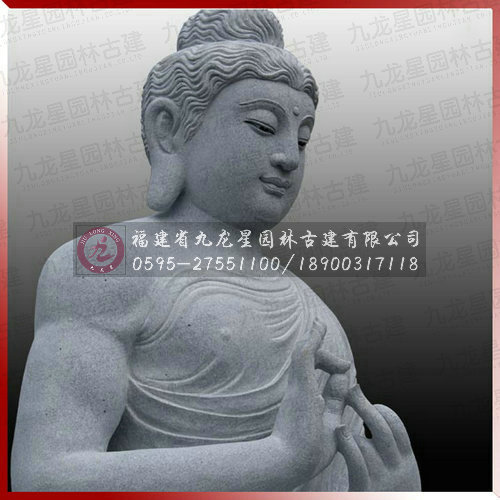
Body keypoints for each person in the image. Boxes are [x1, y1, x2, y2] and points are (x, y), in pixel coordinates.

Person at [11, 10, 421, 491]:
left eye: (302, 138)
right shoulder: (109, 263)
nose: (289, 156)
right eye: (263, 127)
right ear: (168, 129)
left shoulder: (312, 310)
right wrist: (278, 459)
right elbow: (43, 476)